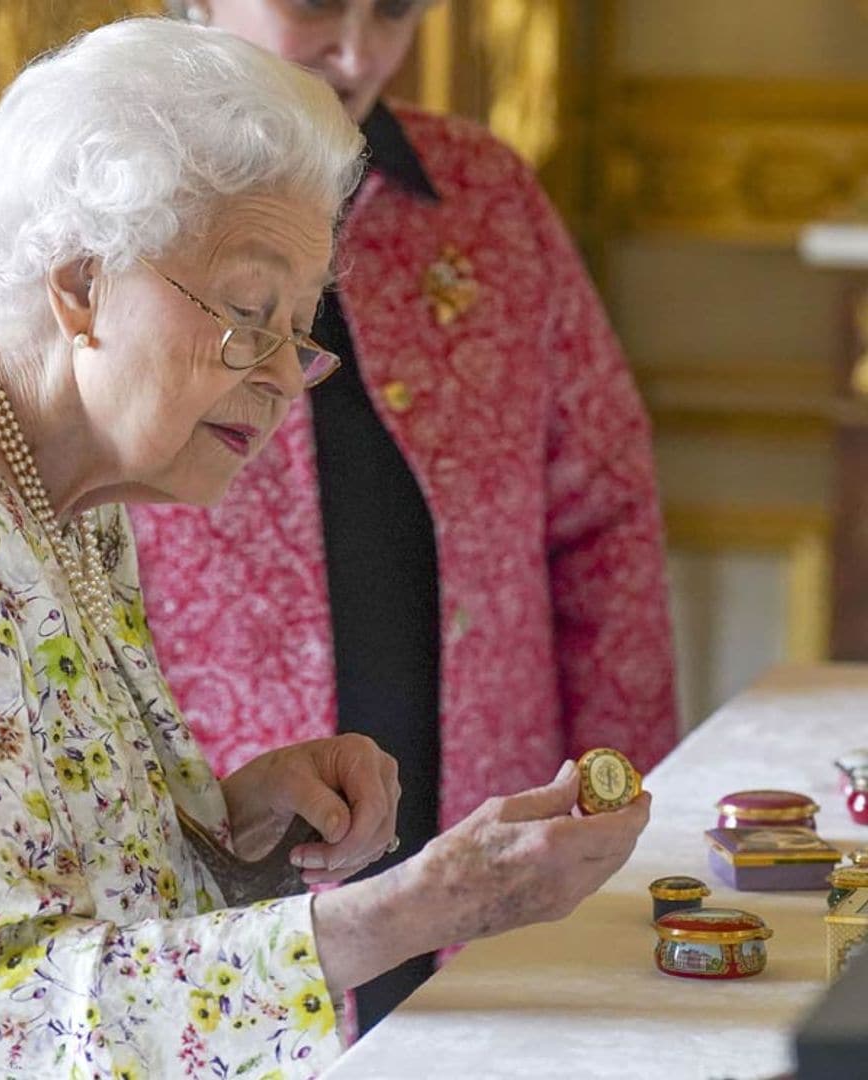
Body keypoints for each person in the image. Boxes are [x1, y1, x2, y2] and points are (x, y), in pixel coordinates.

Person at [0, 18, 650, 1079]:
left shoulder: (58, 467)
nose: (286, 377)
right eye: (249, 314)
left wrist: (233, 829)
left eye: (300, 328)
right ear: (80, 284)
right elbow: (0, 1007)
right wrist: (420, 906)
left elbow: (63, 877)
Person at [124, 0, 679, 1031]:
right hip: (222, 850)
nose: (357, 49)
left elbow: (604, 519)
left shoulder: (485, 197)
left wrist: (629, 794)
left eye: (392, 9)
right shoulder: (95, 208)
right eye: (318, 5)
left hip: (492, 799)